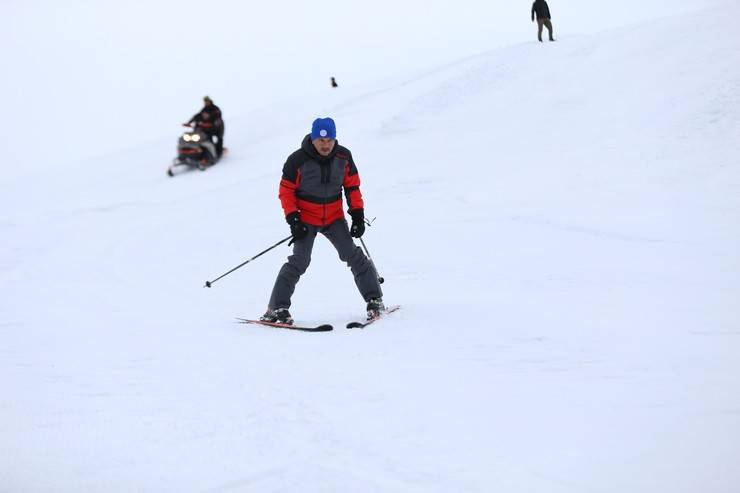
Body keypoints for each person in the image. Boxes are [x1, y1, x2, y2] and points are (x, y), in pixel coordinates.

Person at [261, 117, 384, 324]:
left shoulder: (344, 157)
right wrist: (293, 219)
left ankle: (374, 299)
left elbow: (352, 186)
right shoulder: (296, 160)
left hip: (334, 217)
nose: (325, 145)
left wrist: (357, 215)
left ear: (335, 139)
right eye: (320, 140)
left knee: (352, 255)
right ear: (313, 138)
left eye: (329, 140)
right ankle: (276, 308)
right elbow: (286, 191)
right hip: (307, 219)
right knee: (299, 261)